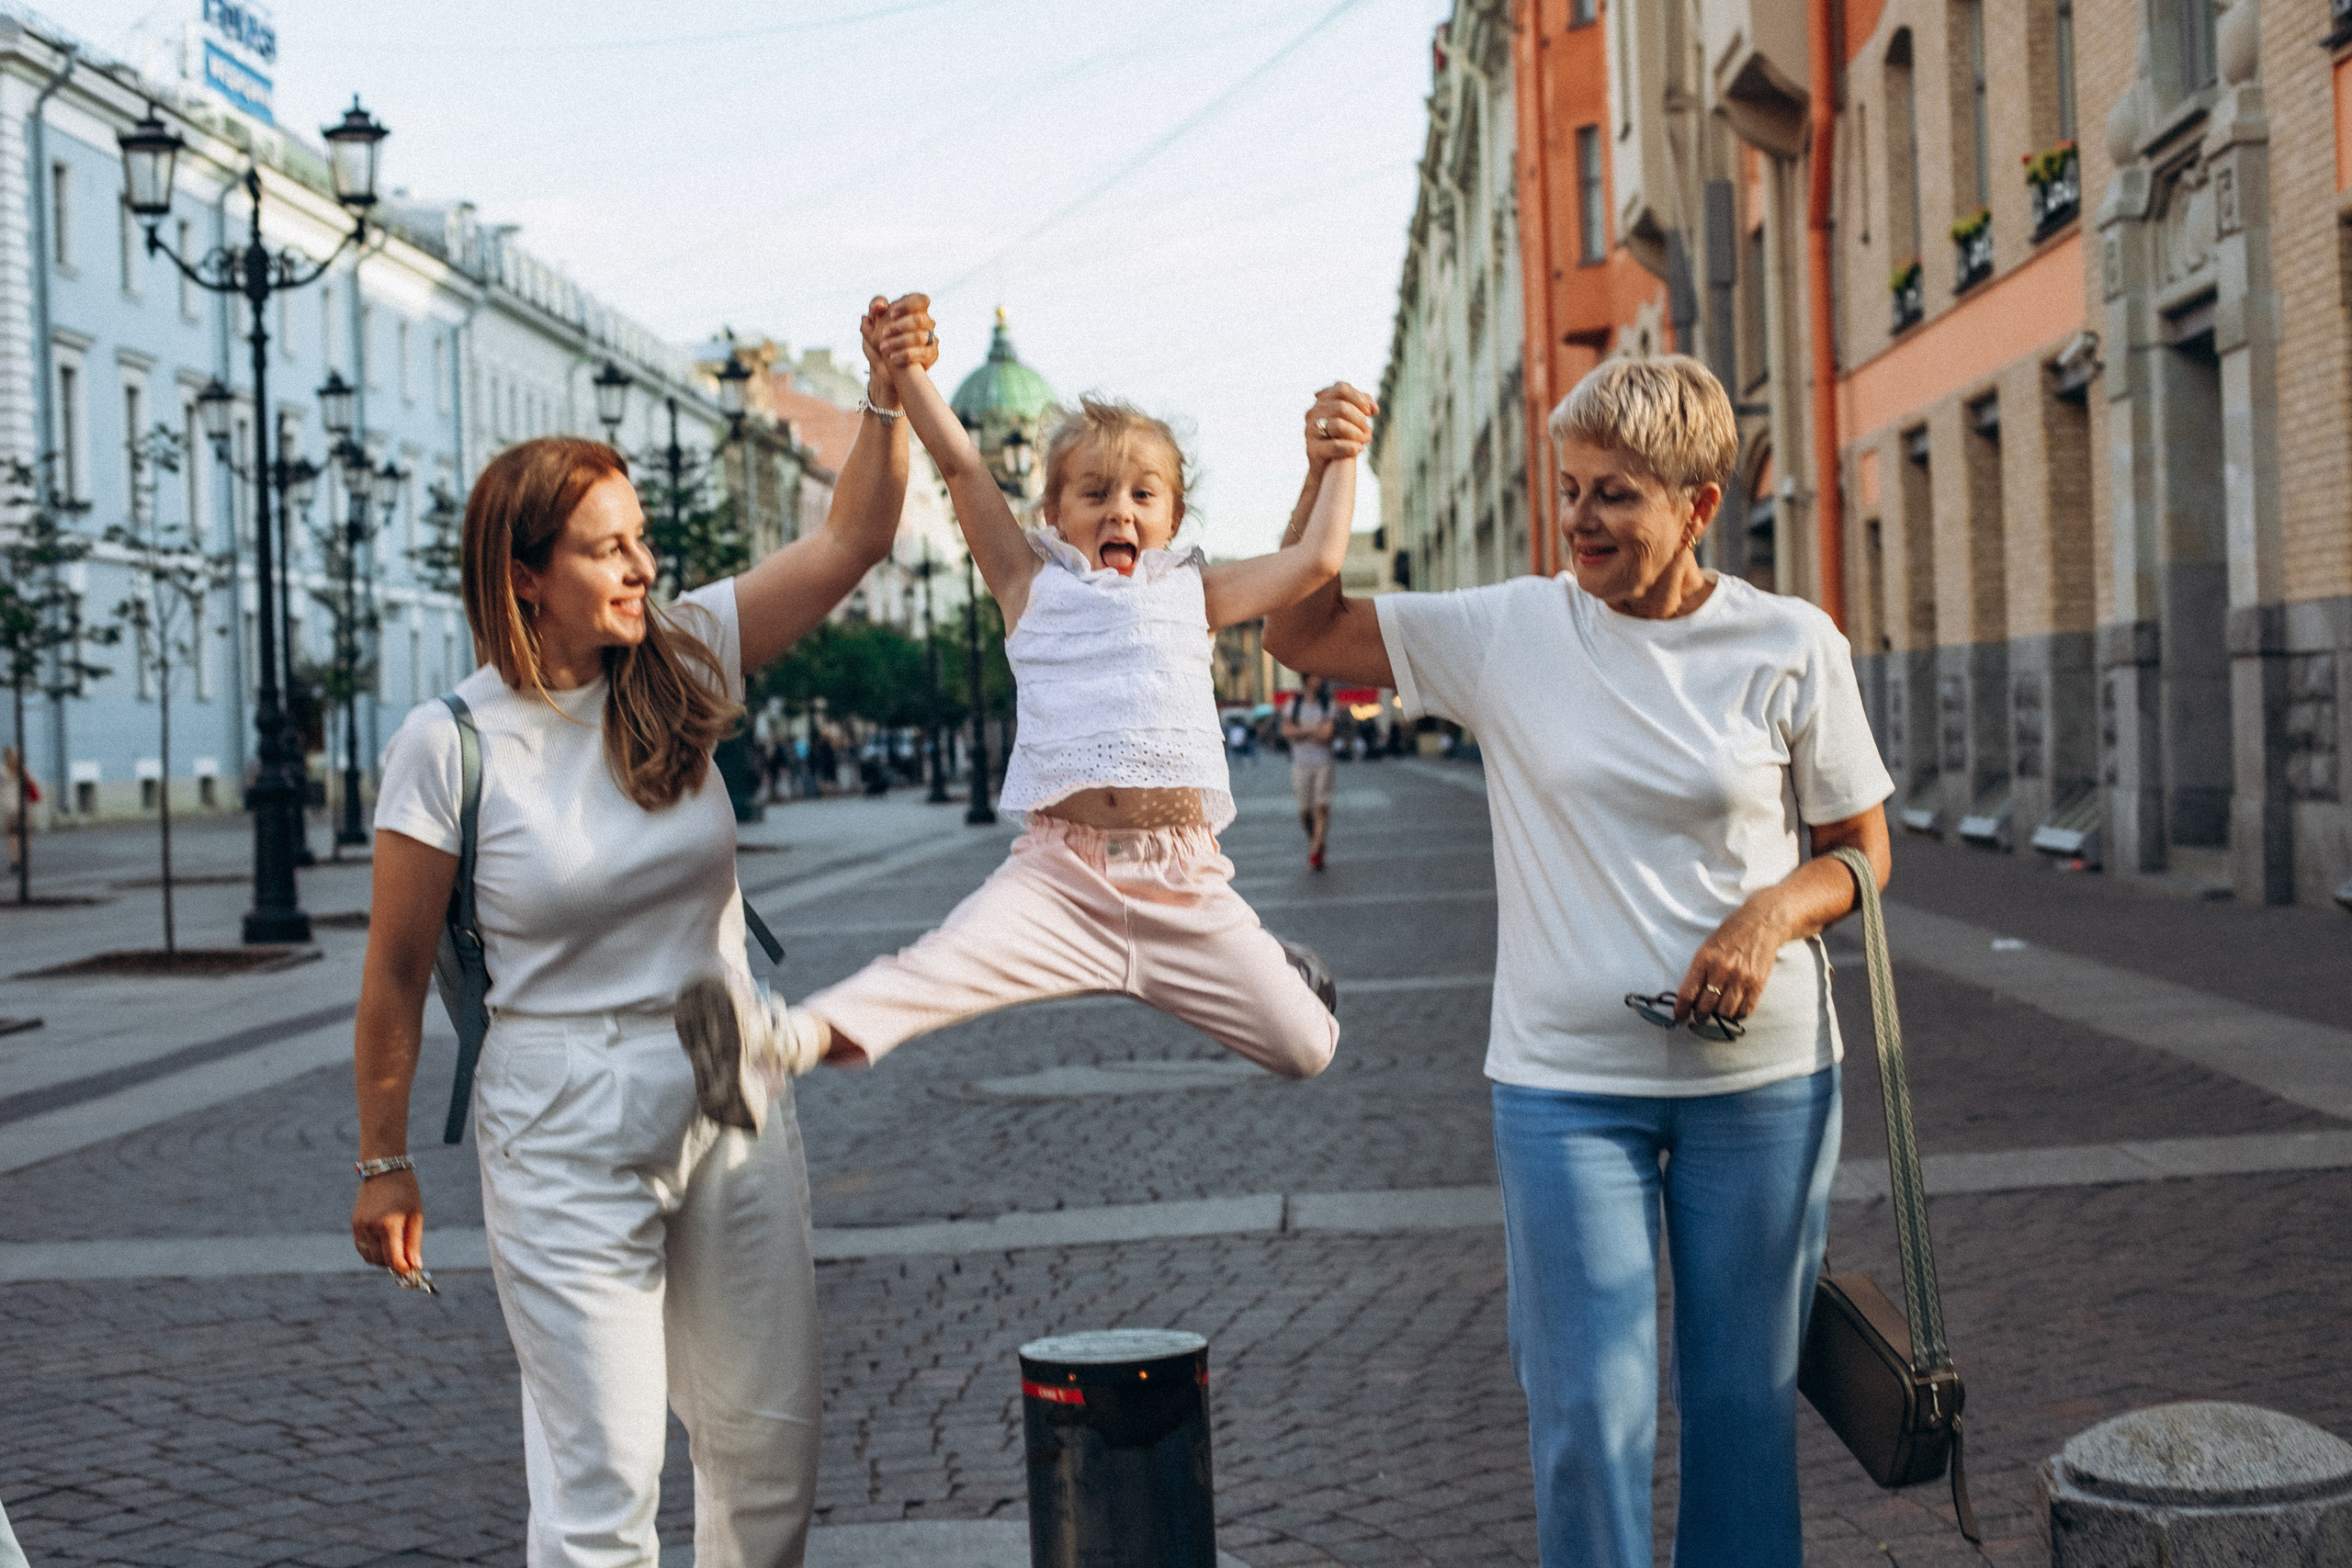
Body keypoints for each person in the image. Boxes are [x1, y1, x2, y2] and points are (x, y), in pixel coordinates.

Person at [1261, 356, 1894, 1568]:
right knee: (1586, 1420)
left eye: (1616, 494)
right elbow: (1299, 632)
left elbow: (1862, 851)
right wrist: (1330, 469)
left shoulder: (1790, 641)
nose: (1581, 519)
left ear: (1698, 507)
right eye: (1570, 489)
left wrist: (1770, 915)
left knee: (1741, 1410)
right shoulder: (1512, 629)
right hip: (1564, 1088)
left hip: (1761, 1087)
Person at [348, 295, 937, 1568]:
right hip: (562, 1106)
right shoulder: (448, 742)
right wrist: (381, 1159)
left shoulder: (681, 656)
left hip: (727, 1067)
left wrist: (887, 396)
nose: (642, 568)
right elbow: (393, 974)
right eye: (607, 550)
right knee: (603, 1480)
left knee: (767, 1456)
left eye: (643, 540)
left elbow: (854, 537)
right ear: (524, 574)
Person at [670, 315, 1356, 1123]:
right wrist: (905, 368)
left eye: (1143, 496)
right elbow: (961, 464)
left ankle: (1279, 968)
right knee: (933, 970)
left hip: (1183, 882)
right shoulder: (1028, 580)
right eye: (1094, 494)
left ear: (1174, 518)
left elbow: (1318, 560)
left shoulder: (1196, 592)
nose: (1120, 513)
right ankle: (773, 1044)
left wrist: (1340, 457)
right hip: (1061, 878)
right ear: (1052, 512)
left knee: (1308, 1047)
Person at [1281, 676, 1338, 869]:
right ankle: (1317, 841)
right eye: (1314, 675)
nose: (1319, 679)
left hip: (1324, 762)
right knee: (1304, 811)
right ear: (1306, 678)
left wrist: (1301, 732)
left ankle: (1315, 851)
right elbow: (1287, 732)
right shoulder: (1293, 704)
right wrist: (1315, 731)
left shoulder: (1327, 704)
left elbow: (1328, 733)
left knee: (1322, 807)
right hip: (1300, 763)